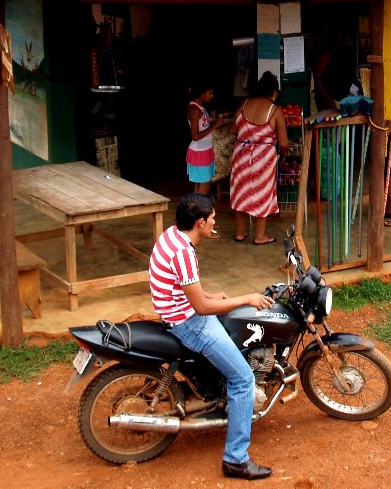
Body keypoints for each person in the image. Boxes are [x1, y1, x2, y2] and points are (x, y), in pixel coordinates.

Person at [149, 193, 274, 481]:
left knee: (231, 323)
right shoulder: (185, 253)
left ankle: (214, 390)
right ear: (200, 222)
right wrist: (247, 299)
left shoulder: (172, 236)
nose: (216, 221)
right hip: (190, 323)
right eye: (213, 218)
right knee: (243, 380)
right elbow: (202, 309)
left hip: (177, 311)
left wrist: (208, 295)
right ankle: (235, 459)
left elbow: (182, 286)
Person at [230, 72, 289, 245]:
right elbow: (284, 142)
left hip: (241, 155)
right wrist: (284, 152)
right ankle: (260, 235)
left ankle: (240, 233)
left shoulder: (244, 104)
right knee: (262, 193)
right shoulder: (275, 110)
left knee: (241, 191)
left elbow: (234, 128)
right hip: (264, 159)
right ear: (273, 92)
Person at [186, 80, 227, 215]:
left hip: (204, 151)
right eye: (210, 93)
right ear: (201, 93)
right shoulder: (194, 109)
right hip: (199, 152)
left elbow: (205, 126)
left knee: (199, 187)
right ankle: (200, 218)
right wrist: (215, 126)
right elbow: (195, 136)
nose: (212, 95)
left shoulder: (200, 107)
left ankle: (193, 217)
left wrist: (217, 122)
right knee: (203, 188)